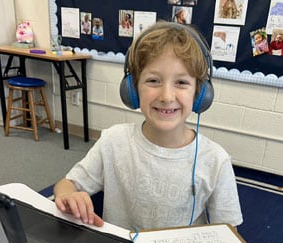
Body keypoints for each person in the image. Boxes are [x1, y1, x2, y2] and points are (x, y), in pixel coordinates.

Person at [54, 22, 243, 231]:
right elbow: (67, 184)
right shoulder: (113, 141)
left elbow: (228, 233)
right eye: (153, 80)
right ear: (132, 89)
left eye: (181, 83)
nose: (166, 96)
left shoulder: (215, 160)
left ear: (200, 94)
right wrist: (68, 195)